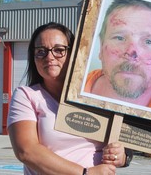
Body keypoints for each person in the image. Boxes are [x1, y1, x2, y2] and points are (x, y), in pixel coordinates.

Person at [7, 22, 131, 175]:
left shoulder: (98, 94)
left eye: (59, 50)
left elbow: (125, 137)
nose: (49, 57)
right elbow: (26, 151)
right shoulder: (26, 96)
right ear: (33, 58)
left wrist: (122, 155)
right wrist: (85, 173)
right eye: (41, 51)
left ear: (74, 54)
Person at [85, 0, 151, 111]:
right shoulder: (71, 90)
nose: (131, 52)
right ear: (101, 47)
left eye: (148, 41)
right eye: (120, 38)